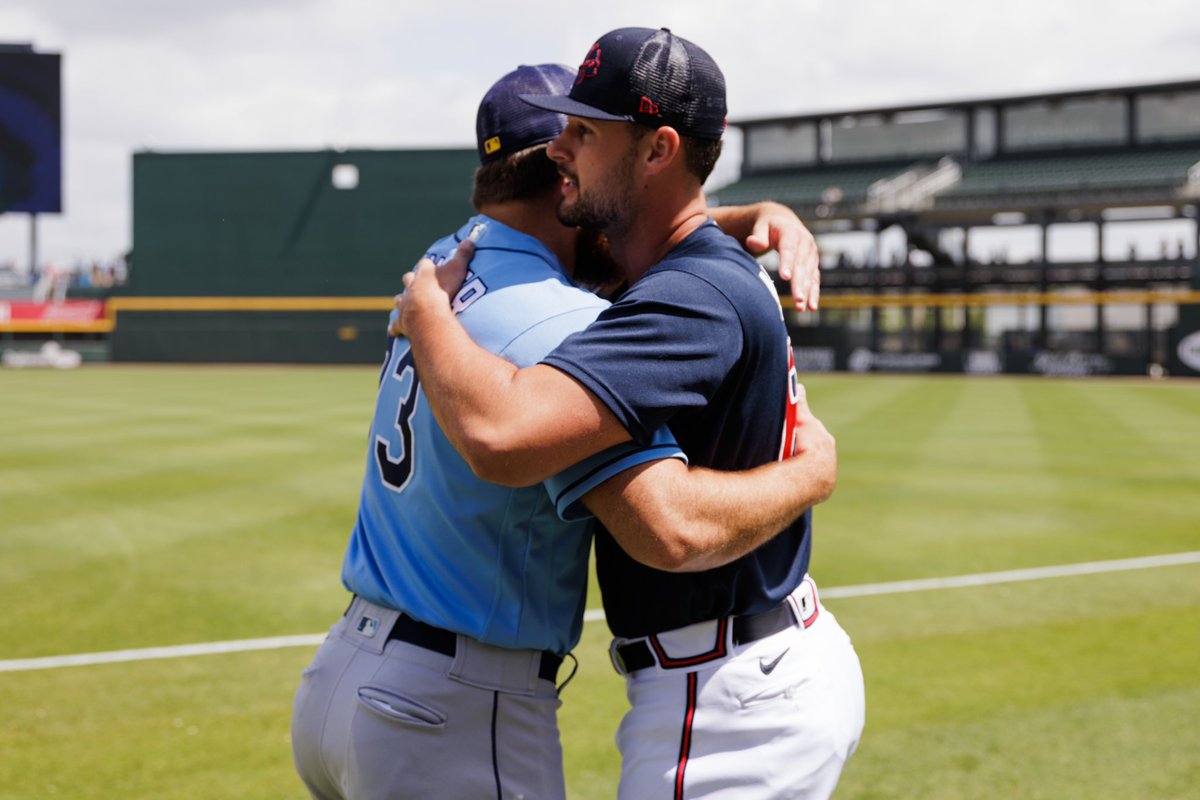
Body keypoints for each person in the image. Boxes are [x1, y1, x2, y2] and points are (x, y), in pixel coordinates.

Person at [291, 62, 838, 800]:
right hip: (449, 705)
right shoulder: (565, 325)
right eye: (572, 138)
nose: (577, 155)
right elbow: (664, 526)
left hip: (346, 677)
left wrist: (729, 220)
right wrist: (813, 471)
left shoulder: (445, 265)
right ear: (560, 172)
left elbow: (631, 247)